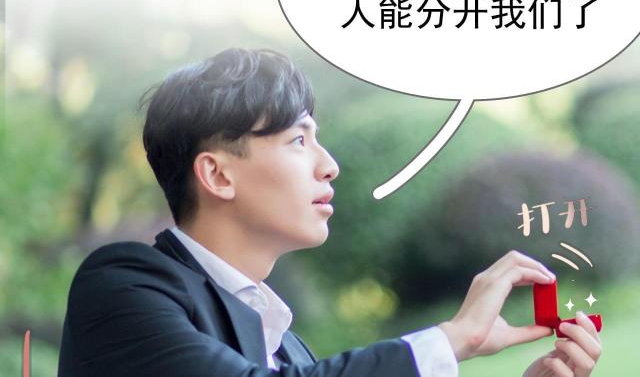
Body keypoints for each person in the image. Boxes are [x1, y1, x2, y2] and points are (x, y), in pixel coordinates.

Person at [57, 48, 601, 377]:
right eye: (298, 140)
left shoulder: (288, 348)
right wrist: (456, 338)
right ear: (218, 175)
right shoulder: (123, 288)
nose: (330, 165)